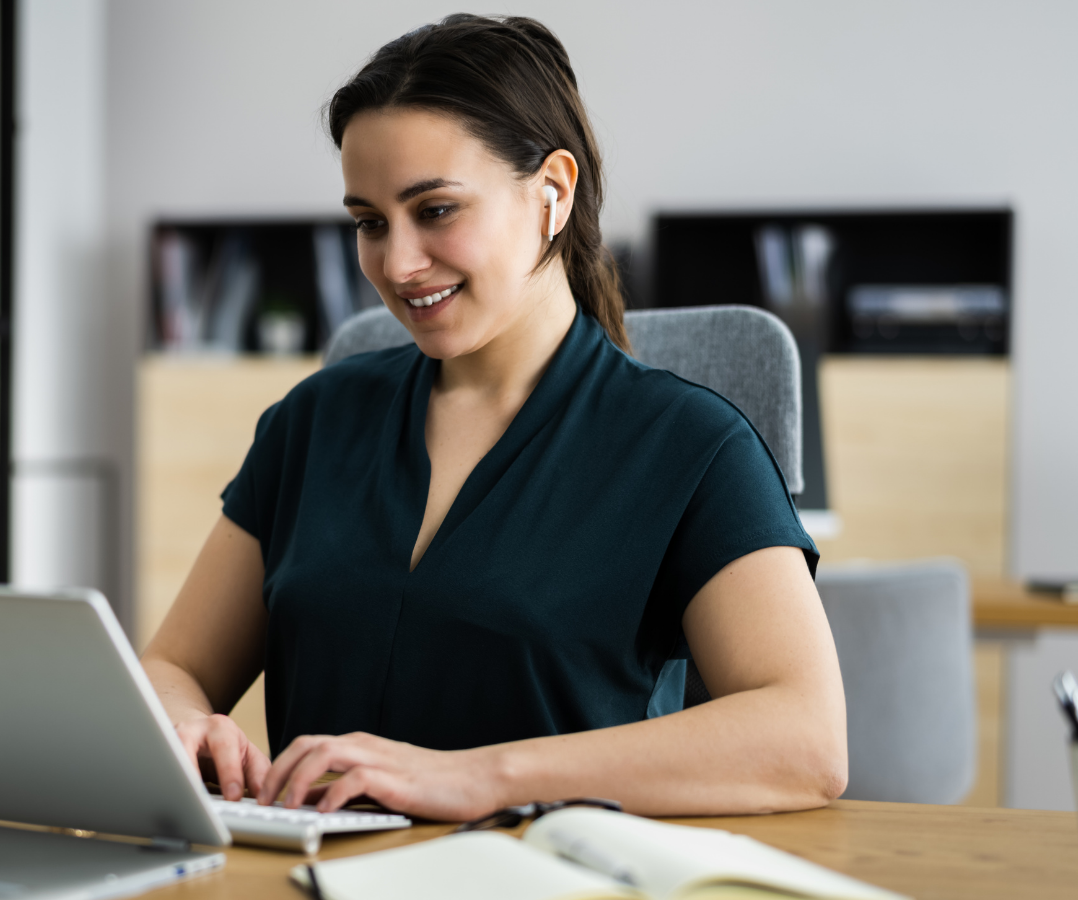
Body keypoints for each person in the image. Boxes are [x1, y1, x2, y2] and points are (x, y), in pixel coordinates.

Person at [140, 14, 847, 821]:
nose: (397, 265)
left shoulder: (693, 448)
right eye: (370, 223)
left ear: (552, 193)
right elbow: (173, 664)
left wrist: (476, 778)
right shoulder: (313, 421)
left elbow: (807, 741)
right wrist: (185, 723)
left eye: (435, 210)